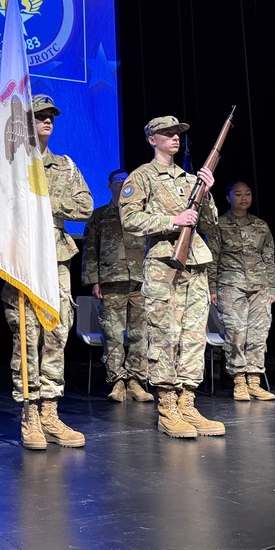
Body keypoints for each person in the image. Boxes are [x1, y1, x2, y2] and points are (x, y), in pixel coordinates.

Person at [0, 94, 93, 450]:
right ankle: (29, 414)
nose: (46, 121)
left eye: (50, 117)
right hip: (22, 263)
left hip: (56, 259)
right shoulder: (7, 167)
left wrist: (44, 202)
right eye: (39, 116)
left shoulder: (66, 167)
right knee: (27, 337)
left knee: (57, 333)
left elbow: (85, 206)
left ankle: (50, 412)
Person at [118, 115, 223, 438]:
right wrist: (172, 220)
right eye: (167, 133)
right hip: (164, 263)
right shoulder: (143, 176)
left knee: (193, 336)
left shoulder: (189, 178)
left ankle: (188, 403)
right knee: (164, 334)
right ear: (152, 139)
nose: (175, 138)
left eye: (177, 133)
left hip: (194, 263)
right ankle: (167, 408)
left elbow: (209, 223)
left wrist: (206, 190)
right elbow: (130, 219)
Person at [81, 169, 153, 403]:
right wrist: (94, 281)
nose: (123, 185)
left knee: (139, 334)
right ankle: (117, 382)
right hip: (111, 282)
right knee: (112, 335)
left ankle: (135, 381)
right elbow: (90, 250)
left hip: (141, 281)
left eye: (127, 181)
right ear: (109, 185)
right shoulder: (99, 216)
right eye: (118, 181)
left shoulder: (143, 214)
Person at [206, 181, 275, 401]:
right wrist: (211, 286)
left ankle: (254, 380)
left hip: (259, 286)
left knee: (258, 334)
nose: (243, 198)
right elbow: (212, 257)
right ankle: (238, 380)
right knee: (236, 332)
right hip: (230, 284)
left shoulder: (260, 226)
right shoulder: (219, 225)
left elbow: (269, 259)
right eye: (238, 194)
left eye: (247, 194)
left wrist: (272, 287)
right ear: (228, 198)